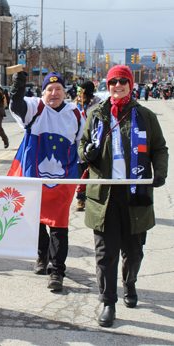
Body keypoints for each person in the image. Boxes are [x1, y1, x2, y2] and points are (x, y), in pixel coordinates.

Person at [79, 65, 168, 327]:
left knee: (134, 251)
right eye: (113, 81)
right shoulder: (96, 114)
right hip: (104, 195)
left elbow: (159, 148)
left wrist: (159, 173)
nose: (117, 85)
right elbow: (83, 145)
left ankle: (129, 282)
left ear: (130, 85)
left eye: (122, 81)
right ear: (108, 85)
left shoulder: (145, 116)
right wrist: (87, 154)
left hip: (135, 193)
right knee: (105, 253)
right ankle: (108, 301)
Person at [8, 71, 84, 291]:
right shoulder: (36, 107)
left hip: (63, 179)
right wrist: (18, 87)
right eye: (49, 89)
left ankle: (57, 270)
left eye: (58, 89)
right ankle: (42, 255)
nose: (54, 93)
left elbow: (82, 142)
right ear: (43, 92)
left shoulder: (75, 113)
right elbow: (18, 106)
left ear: (65, 92)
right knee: (36, 218)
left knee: (59, 224)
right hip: (35, 177)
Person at [73, 81, 102, 211]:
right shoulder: (72, 107)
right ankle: (80, 198)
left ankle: (93, 199)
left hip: (93, 144)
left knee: (93, 173)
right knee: (80, 174)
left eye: (83, 93)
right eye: (78, 93)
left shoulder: (98, 106)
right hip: (78, 146)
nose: (80, 96)